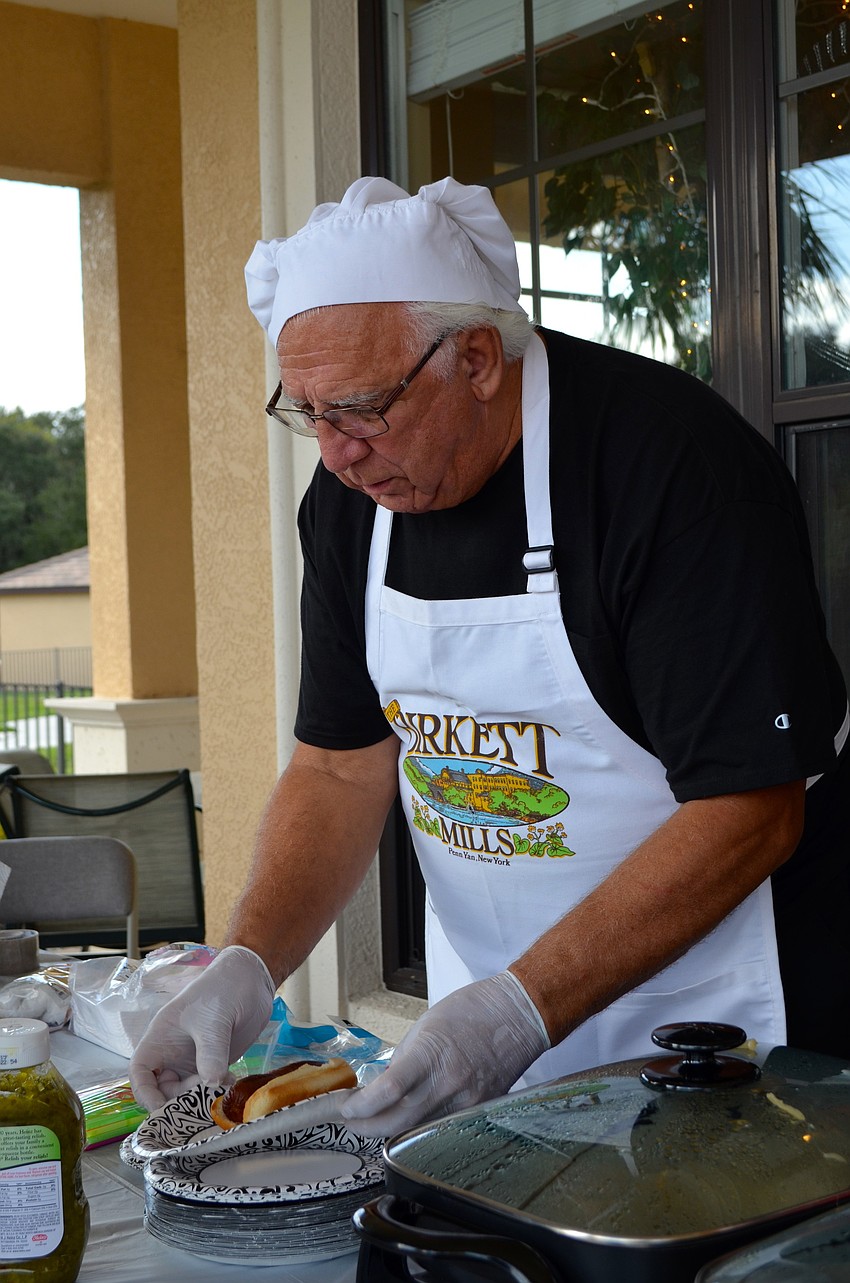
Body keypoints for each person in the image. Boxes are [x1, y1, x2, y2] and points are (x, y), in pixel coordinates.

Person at [129, 177, 849, 1137]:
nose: (336, 453)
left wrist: (519, 1011)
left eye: (359, 408)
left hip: (727, 1031)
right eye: (305, 413)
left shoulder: (670, 467)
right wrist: (247, 964)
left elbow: (750, 809)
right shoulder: (353, 503)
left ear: (474, 358)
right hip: (479, 1029)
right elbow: (340, 765)